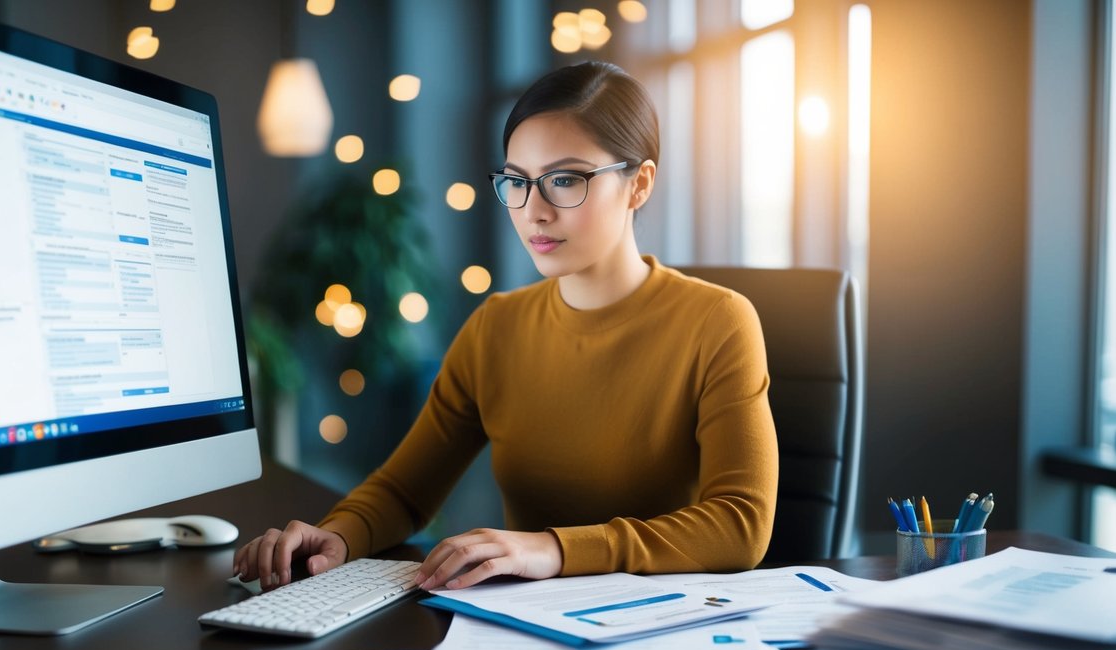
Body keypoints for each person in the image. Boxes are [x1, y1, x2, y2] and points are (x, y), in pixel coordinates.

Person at [234, 60, 778, 592]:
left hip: (669, 634)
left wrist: (554, 548)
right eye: (518, 182)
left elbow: (741, 524)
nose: (533, 211)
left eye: (564, 180)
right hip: (521, 633)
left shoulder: (718, 322)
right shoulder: (496, 327)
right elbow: (405, 492)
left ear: (639, 185)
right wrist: (336, 537)